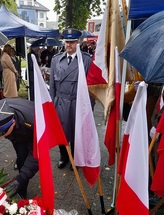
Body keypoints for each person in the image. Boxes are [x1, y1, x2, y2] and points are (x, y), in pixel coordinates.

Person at [49, 28, 93, 169]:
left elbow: (90, 87)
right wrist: (51, 105)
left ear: (78, 42)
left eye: (72, 42)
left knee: (76, 131)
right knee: (61, 132)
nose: (69, 45)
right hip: (60, 102)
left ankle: (75, 157)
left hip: (77, 103)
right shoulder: (56, 60)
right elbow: (52, 85)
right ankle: (63, 156)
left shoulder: (86, 60)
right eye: (67, 42)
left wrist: (89, 108)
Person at [0, 98, 38, 198]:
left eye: (3, 134)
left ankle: (21, 190)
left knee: (22, 155)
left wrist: (21, 179)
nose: (1, 137)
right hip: (14, 119)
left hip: (25, 128)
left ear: (13, 123)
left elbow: (37, 153)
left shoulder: (31, 123)